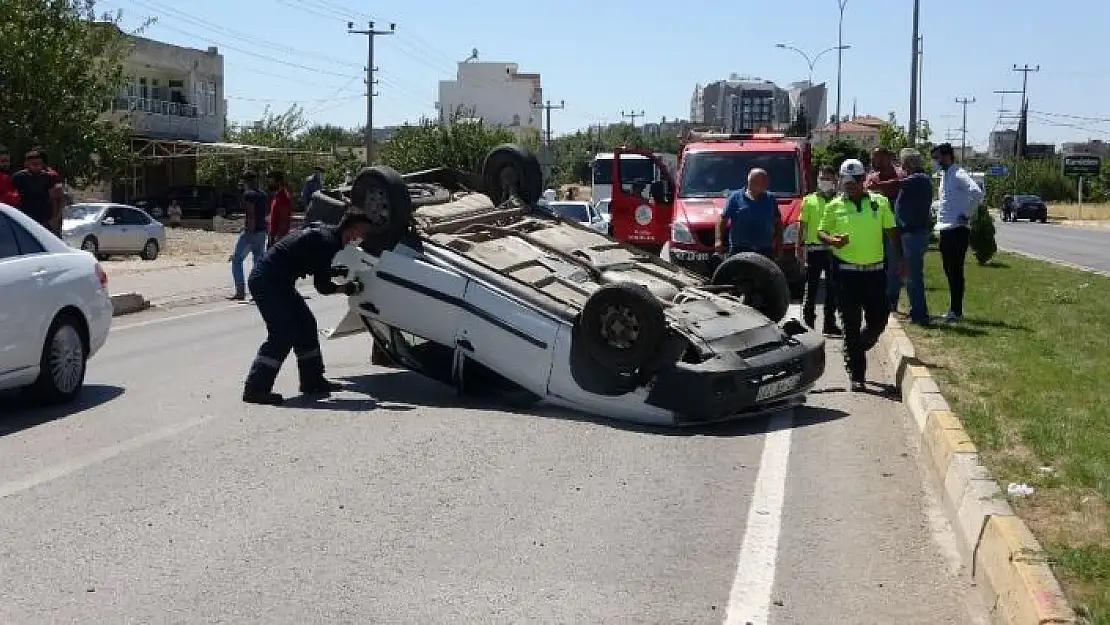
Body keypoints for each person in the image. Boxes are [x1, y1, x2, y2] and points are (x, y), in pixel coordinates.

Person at [242, 211, 374, 405]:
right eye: (361, 233)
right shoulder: (328, 243)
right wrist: (348, 288)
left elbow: (311, 260)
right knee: (283, 332)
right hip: (267, 281)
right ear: (352, 230)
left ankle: (312, 381)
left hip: (279, 281)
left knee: (306, 325)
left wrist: (332, 271)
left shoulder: (328, 235)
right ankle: (255, 389)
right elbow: (323, 287)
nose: (361, 238)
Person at [818, 158, 903, 392]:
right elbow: (821, 232)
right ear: (842, 181)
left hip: (875, 273)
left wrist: (900, 260)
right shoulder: (833, 206)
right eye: (847, 180)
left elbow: (893, 232)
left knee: (880, 317)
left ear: (863, 180)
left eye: (855, 180)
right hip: (846, 275)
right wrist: (833, 240)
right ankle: (857, 373)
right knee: (850, 324)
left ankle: (860, 343)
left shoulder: (879, 202)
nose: (851, 184)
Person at [931, 142, 984, 323]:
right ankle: (954, 309)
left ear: (947, 156)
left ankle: (956, 311)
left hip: (957, 230)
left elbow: (977, 193)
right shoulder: (945, 176)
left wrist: (966, 214)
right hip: (945, 229)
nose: (935, 162)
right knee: (948, 270)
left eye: (937, 158)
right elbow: (948, 201)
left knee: (955, 270)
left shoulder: (958, 174)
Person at [891, 148, 934, 325]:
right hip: (908, 232)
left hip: (914, 233)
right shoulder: (914, 180)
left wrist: (873, 185)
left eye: (902, 163)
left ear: (908, 163)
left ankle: (920, 314)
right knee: (908, 274)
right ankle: (916, 310)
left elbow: (894, 184)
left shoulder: (919, 179)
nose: (901, 166)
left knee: (913, 276)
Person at [798, 166, 842, 336]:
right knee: (811, 287)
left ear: (835, 181)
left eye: (828, 179)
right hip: (814, 250)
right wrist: (798, 247)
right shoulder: (809, 200)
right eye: (822, 178)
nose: (824, 182)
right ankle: (808, 324)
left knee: (832, 289)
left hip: (833, 250)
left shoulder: (839, 201)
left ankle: (829, 324)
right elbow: (802, 225)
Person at [864, 147, 906, 310]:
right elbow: (867, 191)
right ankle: (875, 296)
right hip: (874, 227)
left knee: (894, 262)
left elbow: (897, 187)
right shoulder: (872, 177)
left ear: (888, 158)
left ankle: (891, 300)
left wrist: (879, 187)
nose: (875, 162)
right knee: (874, 262)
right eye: (874, 159)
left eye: (879, 158)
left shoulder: (900, 174)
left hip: (893, 227)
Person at [714, 168, 777, 260]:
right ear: (752, 181)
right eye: (764, 181)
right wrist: (718, 240)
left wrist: (779, 243)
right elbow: (722, 220)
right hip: (739, 248)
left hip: (764, 249)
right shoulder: (735, 198)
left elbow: (778, 222)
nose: (766, 184)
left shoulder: (770, 199)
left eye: (766, 181)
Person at [229, 172, 270, 301]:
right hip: (262, 231)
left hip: (252, 232)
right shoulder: (262, 194)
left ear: (246, 182)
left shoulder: (248, 195)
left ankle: (240, 290)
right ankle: (257, 292)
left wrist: (249, 232)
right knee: (258, 262)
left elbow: (251, 215)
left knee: (237, 260)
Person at [10, 150, 64, 234]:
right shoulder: (18, 177)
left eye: (39, 164)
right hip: (25, 219)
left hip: (45, 221)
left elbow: (56, 199)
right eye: (34, 164)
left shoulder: (48, 177)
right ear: (26, 164)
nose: (37, 167)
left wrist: (54, 219)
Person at [266, 170, 293, 248]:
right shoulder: (277, 196)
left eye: (271, 182)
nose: (269, 184)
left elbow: (284, 220)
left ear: (278, 182)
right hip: (274, 236)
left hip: (278, 238)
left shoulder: (283, 198)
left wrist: (276, 238)